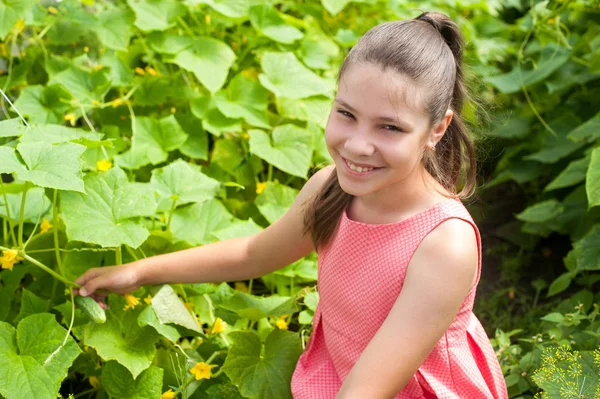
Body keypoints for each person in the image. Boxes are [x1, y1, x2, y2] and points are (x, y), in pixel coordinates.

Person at [75, 10, 509, 399]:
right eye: (346, 114)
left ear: (437, 129)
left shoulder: (443, 244)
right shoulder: (333, 189)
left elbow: (366, 391)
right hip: (341, 378)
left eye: (390, 127)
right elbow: (254, 254)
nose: (358, 145)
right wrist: (140, 271)